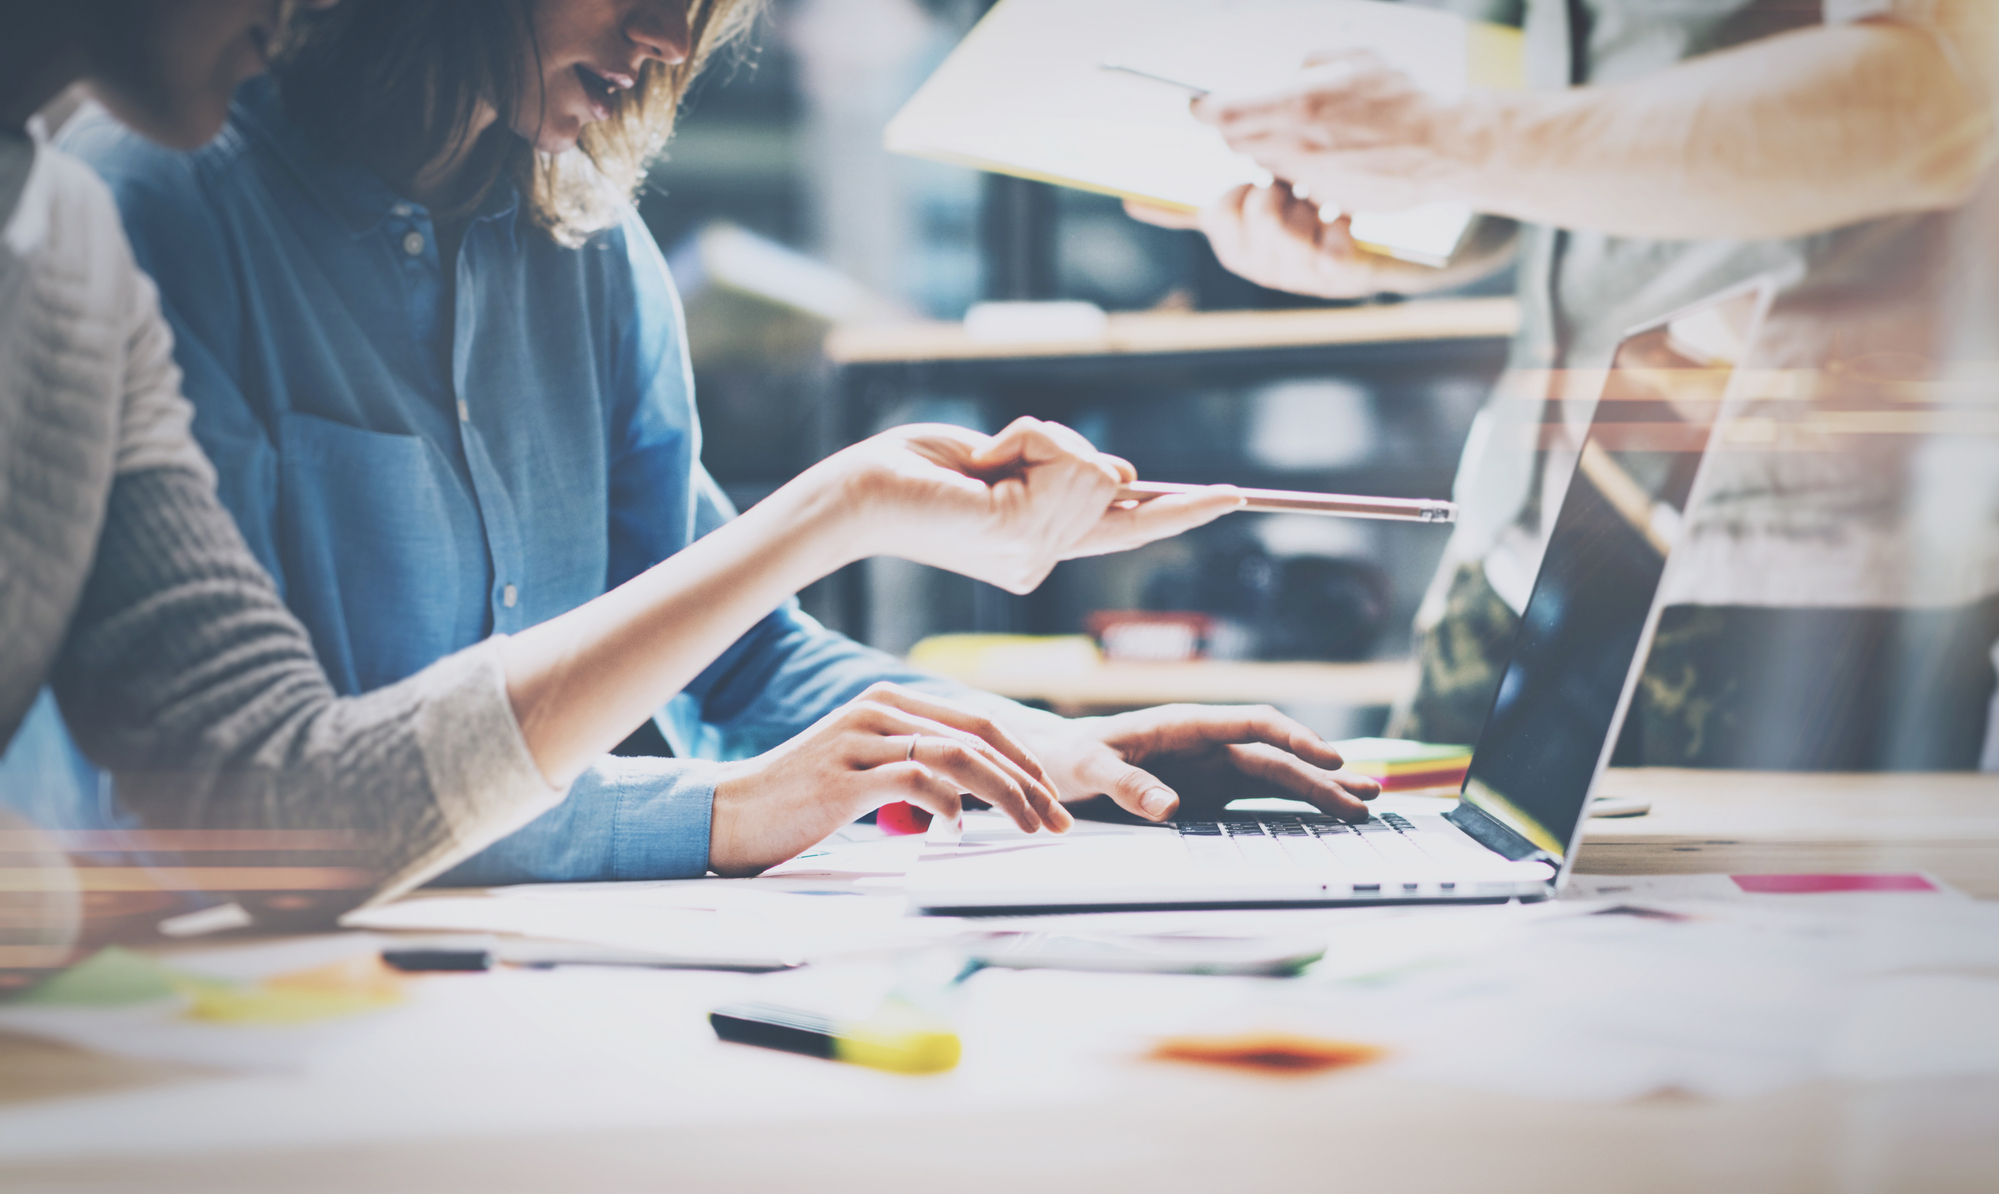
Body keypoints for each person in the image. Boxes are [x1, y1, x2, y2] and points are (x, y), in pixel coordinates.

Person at [0, 0, 1366, 938]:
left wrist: (1047, 753)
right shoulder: (139, 201)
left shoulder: (584, 251)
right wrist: (716, 812)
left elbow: (729, 663)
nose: (665, 41)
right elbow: (219, 800)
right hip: (214, 986)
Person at [1134, 0, 1999, 769]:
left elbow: (1938, 103)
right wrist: (1372, 235)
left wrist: (1443, 142)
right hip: (1520, 527)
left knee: (1752, 951)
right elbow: (1536, 146)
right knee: (1417, 913)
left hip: (1793, 560)